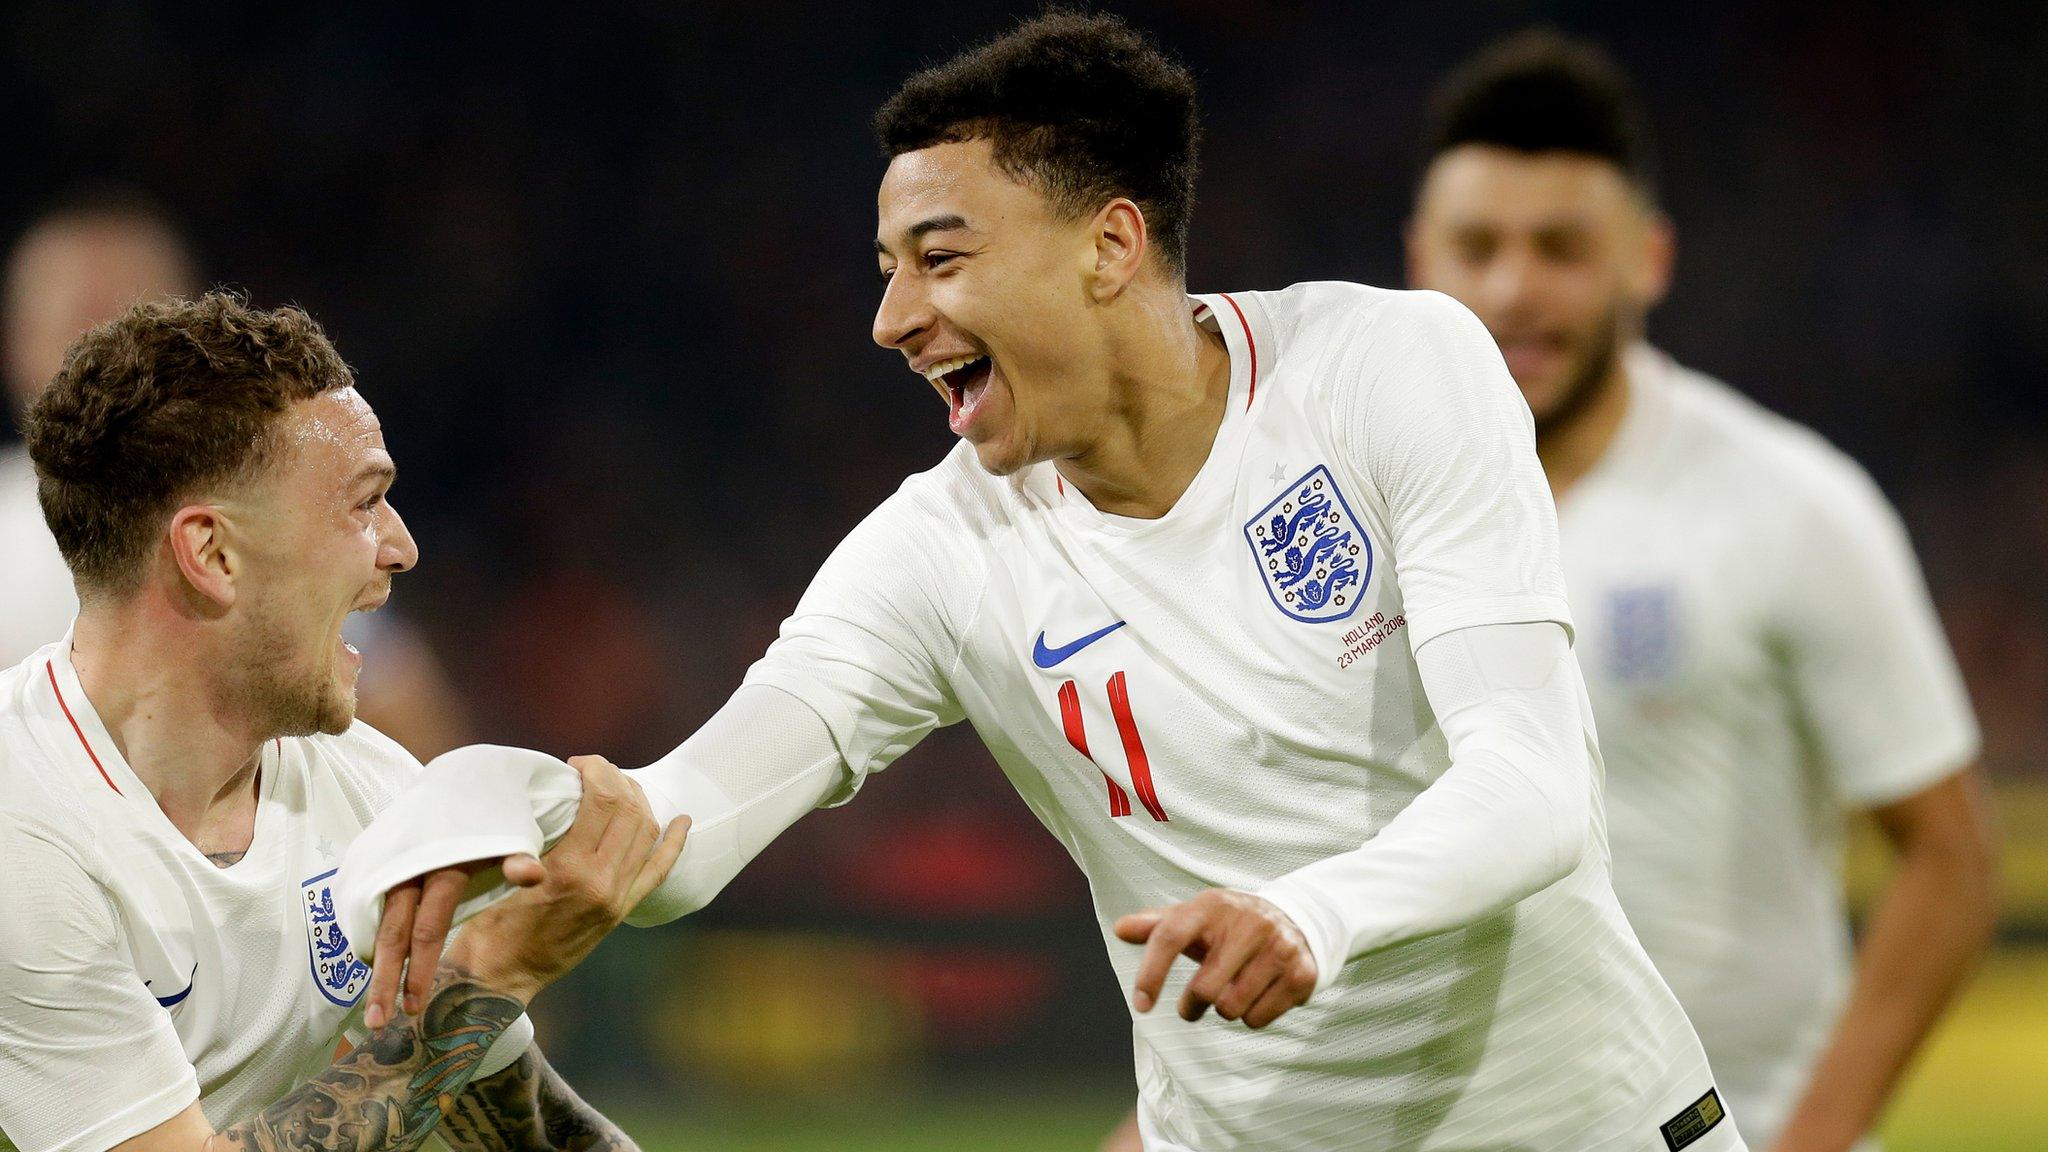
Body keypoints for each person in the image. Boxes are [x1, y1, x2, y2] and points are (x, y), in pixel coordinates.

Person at [348, 14, 1744, 1150]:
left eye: (940, 258)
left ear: (1110, 246)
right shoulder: (942, 549)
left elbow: (1533, 788)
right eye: (887, 271)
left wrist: (1311, 913)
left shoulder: (1388, 372)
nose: (893, 320)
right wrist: (516, 798)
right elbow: (686, 824)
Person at [1402, 32, 1999, 1152]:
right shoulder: (1359, 524)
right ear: (1417, 261)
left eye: (1561, 248)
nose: (1512, 288)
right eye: (1476, 245)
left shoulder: (1791, 505)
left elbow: (1950, 862)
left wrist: (1810, 1136)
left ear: (1648, 260)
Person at [0, 292, 687, 1152]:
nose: (400, 546)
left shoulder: (369, 787)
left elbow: (540, 1137)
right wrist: (490, 973)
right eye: (363, 504)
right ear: (212, 554)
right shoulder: (21, 828)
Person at [0, 190, 474, 758]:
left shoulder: (275, 510)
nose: (103, 356)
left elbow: (408, 718)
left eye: (132, 323)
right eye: (79, 322)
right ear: (17, 343)